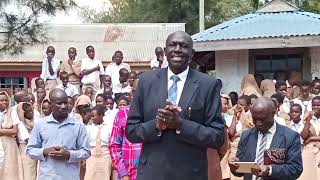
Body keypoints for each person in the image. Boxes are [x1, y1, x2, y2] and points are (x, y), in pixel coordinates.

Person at [125, 31, 225, 180]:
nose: (177, 49)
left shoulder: (208, 84)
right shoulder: (146, 81)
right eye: (173, 45)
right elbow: (131, 131)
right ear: (165, 51)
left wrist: (180, 125)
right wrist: (157, 125)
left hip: (191, 174)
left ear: (192, 54)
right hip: (152, 173)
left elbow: (217, 137)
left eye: (184, 46)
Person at [229, 97, 303, 180]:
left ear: (273, 113)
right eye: (255, 119)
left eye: (262, 119)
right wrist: (234, 166)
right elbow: (240, 170)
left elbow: (295, 169)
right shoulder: (246, 136)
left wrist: (270, 170)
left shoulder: (290, 136)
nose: (258, 123)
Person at [26, 89, 91, 180]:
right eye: (59, 103)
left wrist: (69, 154)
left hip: (70, 177)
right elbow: (30, 150)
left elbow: (86, 152)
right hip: (47, 176)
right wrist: (45, 151)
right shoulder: (40, 124)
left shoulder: (78, 125)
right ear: (50, 104)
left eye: (65, 103)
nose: (64, 106)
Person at [110, 106, 142, 180]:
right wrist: (123, 174)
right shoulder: (123, 113)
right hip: (128, 176)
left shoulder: (157, 113)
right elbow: (114, 146)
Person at [0, 91, 24, 180]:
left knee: (11, 171)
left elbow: (14, 131)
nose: (4, 102)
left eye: (6, 100)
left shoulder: (12, 112)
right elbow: (11, 130)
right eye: (1, 100)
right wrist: (7, 131)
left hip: (10, 146)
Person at [84, 106, 112, 180]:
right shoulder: (89, 128)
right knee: (90, 176)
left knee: (104, 176)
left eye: (94, 116)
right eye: (91, 116)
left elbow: (112, 143)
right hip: (92, 156)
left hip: (105, 156)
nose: (92, 118)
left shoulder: (109, 127)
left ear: (101, 115)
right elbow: (86, 143)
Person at [299, 96, 320, 179]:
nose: (315, 107)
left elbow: (308, 139)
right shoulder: (307, 117)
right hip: (309, 150)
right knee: (307, 175)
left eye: (318, 105)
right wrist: (308, 120)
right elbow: (303, 136)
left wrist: (311, 138)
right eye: (313, 105)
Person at [16, 102, 38, 180]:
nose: (31, 113)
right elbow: (28, 139)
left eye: (31, 111)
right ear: (23, 114)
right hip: (26, 150)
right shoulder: (20, 124)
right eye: (28, 112)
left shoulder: (34, 121)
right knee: (28, 173)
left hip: (35, 149)